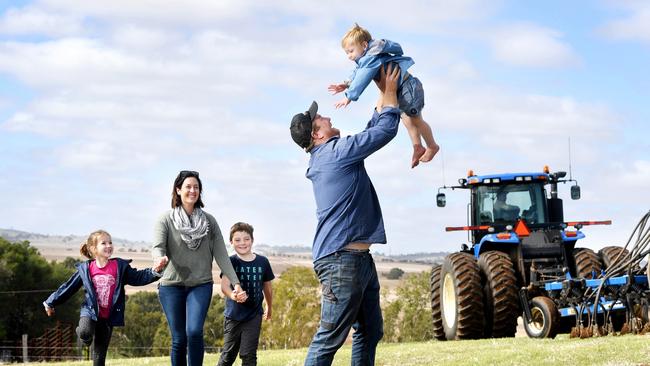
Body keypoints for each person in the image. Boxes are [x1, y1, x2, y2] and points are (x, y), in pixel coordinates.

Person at [289, 63, 401, 366]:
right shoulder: (334, 153)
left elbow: (369, 132)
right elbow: (384, 131)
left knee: (369, 330)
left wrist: (382, 98)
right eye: (320, 118)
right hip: (342, 261)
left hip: (357, 260)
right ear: (317, 133)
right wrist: (389, 93)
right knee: (329, 338)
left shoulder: (331, 153)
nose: (326, 115)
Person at [152, 170, 247, 366]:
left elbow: (221, 254)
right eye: (188, 187)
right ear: (178, 190)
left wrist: (236, 283)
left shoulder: (209, 222)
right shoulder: (165, 220)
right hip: (171, 286)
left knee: (194, 331)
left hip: (200, 285)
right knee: (179, 338)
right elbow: (158, 247)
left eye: (196, 187)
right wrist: (159, 260)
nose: (192, 190)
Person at [43, 230, 164, 366]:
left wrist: (155, 271)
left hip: (108, 317)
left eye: (110, 242)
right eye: (104, 243)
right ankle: (84, 337)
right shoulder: (86, 269)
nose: (109, 245)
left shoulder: (119, 267)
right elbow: (68, 287)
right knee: (84, 331)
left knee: (99, 356)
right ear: (93, 249)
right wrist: (50, 302)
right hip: (89, 311)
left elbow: (138, 277)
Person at [328, 23, 440, 168]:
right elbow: (357, 71)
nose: (349, 56)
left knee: (416, 119)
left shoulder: (371, 58)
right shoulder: (366, 57)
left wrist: (349, 96)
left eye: (350, 51)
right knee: (407, 120)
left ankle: (432, 145)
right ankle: (417, 147)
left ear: (364, 45)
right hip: (400, 90)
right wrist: (346, 83)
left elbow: (362, 78)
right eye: (347, 53)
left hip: (408, 88)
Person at [217, 222, 274, 366]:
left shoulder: (263, 262)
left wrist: (269, 306)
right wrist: (233, 296)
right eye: (237, 240)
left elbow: (267, 287)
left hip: (253, 315)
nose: (242, 243)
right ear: (231, 242)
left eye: (246, 239)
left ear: (252, 240)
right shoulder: (230, 262)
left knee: (249, 355)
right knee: (228, 356)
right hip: (233, 315)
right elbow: (224, 286)